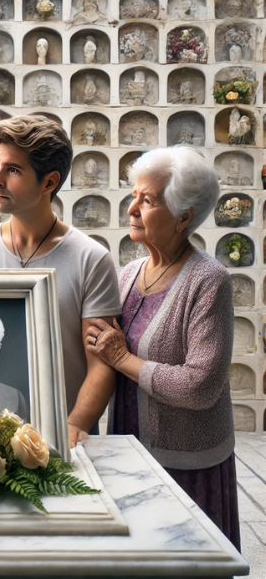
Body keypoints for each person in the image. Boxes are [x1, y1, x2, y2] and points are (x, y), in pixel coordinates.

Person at [84, 146, 240, 550]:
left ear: (184, 216)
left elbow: (200, 385)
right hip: (130, 454)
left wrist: (123, 359)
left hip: (186, 463)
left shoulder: (209, 281)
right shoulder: (128, 274)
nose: (132, 207)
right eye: (135, 194)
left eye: (148, 200)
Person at [0, 116, 121, 446]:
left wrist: (73, 428)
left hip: (60, 435)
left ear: (49, 182)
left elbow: (101, 364)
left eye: (12, 170)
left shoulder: (91, 259)